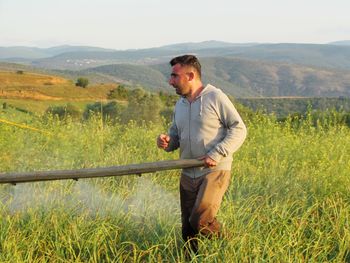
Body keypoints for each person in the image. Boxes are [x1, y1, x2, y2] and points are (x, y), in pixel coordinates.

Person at [157, 55, 247, 253]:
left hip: (214, 171)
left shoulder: (215, 97)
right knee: (188, 228)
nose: (170, 81)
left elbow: (239, 129)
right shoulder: (180, 104)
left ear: (190, 75)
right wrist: (167, 141)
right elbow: (175, 136)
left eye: (174, 76)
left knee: (201, 219)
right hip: (188, 173)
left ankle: (231, 249)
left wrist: (216, 154)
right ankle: (191, 258)